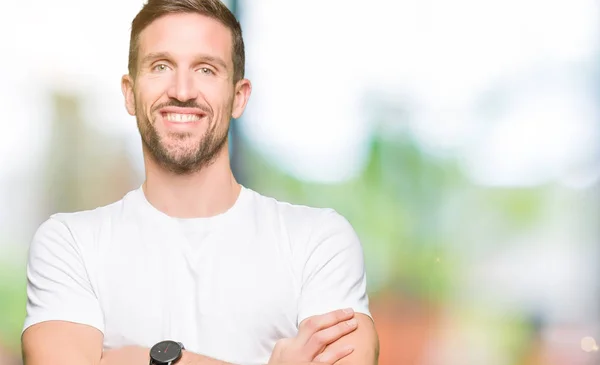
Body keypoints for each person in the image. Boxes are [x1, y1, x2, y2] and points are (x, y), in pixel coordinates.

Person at [20, 0, 379, 364]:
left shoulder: (317, 241)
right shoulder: (69, 244)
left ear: (239, 97)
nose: (182, 89)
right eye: (161, 66)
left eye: (206, 69)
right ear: (129, 92)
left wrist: (127, 358)